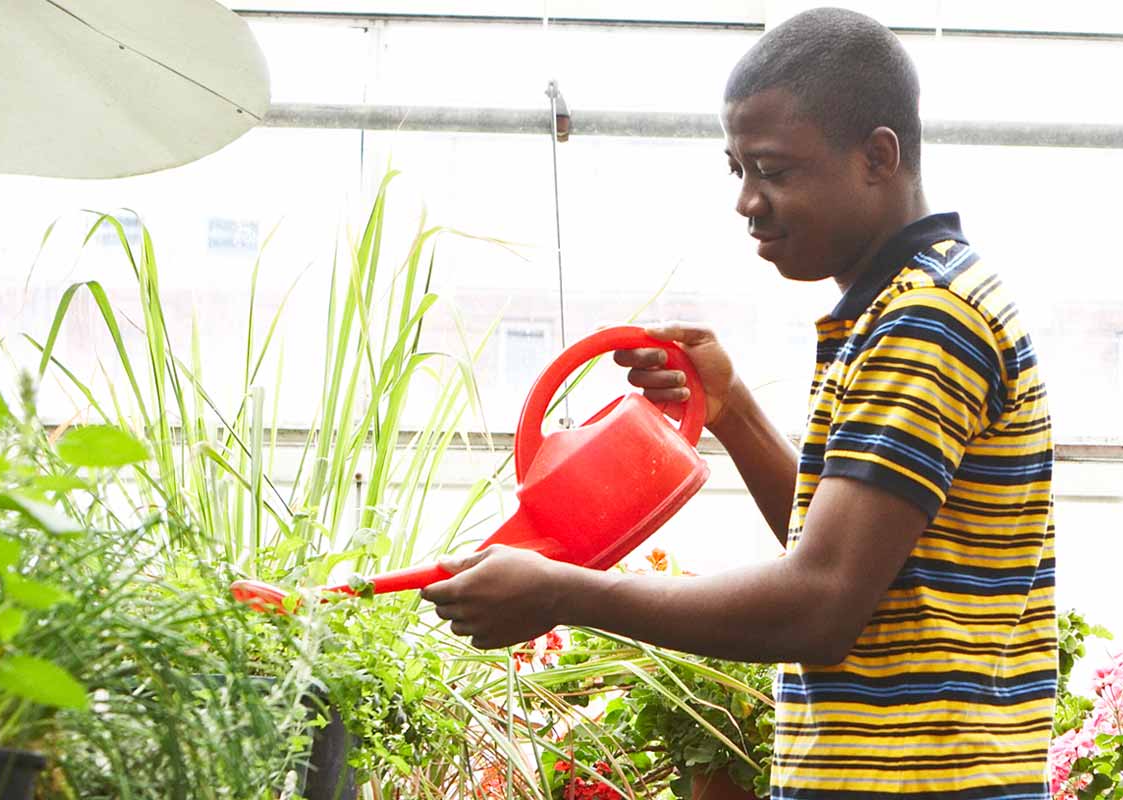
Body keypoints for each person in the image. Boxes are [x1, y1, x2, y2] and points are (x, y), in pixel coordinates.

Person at [417, 7, 1058, 798]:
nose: (747, 201)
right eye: (737, 170)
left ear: (877, 157)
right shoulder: (904, 307)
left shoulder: (925, 322)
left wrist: (561, 592)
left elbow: (819, 606)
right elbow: (857, 560)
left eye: (774, 170)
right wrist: (734, 412)